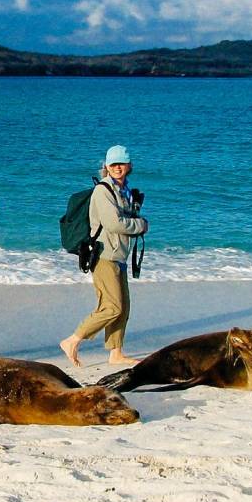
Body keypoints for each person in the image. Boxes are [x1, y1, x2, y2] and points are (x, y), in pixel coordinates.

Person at [60, 145, 148, 367]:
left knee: (123, 308)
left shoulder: (124, 191)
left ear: (129, 166)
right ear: (106, 166)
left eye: (122, 163)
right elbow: (113, 223)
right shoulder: (103, 190)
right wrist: (141, 225)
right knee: (112, 307)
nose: (118, 167)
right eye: (113, 164)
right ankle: (73, 340)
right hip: (104, 255)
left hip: (119, 255)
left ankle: (116, 353)